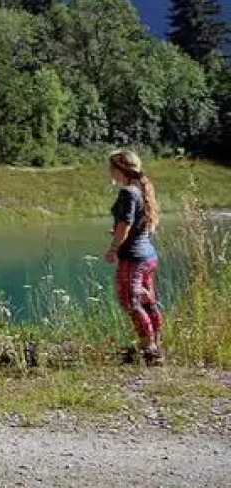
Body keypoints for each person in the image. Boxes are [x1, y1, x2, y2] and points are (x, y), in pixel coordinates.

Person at [102, 148, 162, 366]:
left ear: (120, 169)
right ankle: (153, 342)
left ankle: (148, 348)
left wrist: (114, 248)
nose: (109, 171)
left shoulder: (128, 192)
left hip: (134, 258)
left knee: (130, 300)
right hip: (147, 256)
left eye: (111, 167)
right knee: (146, 301)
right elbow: (139, 224)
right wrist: (121, 233)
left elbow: (125, 224)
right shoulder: (141, 189)